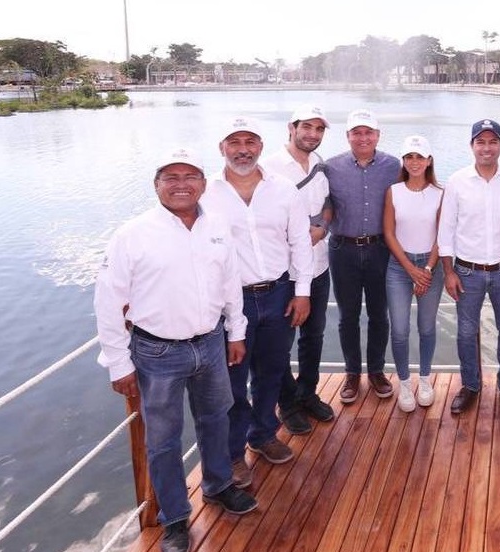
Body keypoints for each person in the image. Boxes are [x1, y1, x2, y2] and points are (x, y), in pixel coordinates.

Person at [94, 148, 257, 552]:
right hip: (157, 353)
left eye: (190, 176)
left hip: (211, 343)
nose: (181, 184)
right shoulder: (132, 234)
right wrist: (118, 362)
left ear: (203, 183)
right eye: (171, 176)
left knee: (216, 419)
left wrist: (236, 333)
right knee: (164, 438)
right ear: (156, 185)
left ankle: (218, 485)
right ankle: (175, 518)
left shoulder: (217, 227)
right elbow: (107, 300)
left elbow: (230, 284)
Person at [200, 117, 313, 488]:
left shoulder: (283, 190)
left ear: (261, 146)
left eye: (250, 141)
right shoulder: (205, 193)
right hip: (231, 302)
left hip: (279, 293)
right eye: (234, 142)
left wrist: (302, 292)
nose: (243, 149)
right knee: (231, 381)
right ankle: (233, 454)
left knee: (271, 370)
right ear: (222, 148)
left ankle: (263, 434)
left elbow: (299, 241)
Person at [438, 119, 500, 415]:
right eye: (480, 142)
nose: (487, 147)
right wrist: (448, 271)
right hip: (466, 271)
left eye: (493, 141)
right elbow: (446, 229)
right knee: (466, 331)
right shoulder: (456, 181)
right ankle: (470, 385)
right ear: (471, 146)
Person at [261, 104, 336, 435]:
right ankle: (287, 403)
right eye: (307, 126)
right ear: (291, 127)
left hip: (319, 266)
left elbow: (328, 206)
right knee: (280, 341)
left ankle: (307, 393)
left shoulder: (320, 165)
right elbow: (258, 221)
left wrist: (321, 228)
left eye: (319, 129)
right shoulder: (269, 167)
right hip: (284, 273)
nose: (313, 134)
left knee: (314, 335)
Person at [324, 109, 402, 404]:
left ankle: (378, 372)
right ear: (348, 136)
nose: (363, 137)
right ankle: (352, 374)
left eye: (369, 132)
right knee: (348, 316)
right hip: (342, 249)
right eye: (357, 132)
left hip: (380, 248)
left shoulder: (394, 165)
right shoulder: (331, 167)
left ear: (378, 136)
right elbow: (322, 205)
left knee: (379, 315)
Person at [383, 135, 445, 412]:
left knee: (427, 327)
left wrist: (428, 270)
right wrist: (411, 270)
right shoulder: (393, 191)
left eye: (420, 156)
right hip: (399, 266)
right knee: (399, 329)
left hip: (431, 266)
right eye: (409, 157)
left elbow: (443, 235)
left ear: (429, 160)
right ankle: (405, 383)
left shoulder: (441, 193)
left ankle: (425, 378)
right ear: (404, 161)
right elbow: (388, 232)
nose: (414, 162)